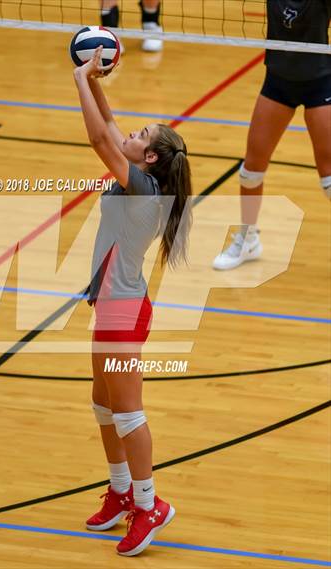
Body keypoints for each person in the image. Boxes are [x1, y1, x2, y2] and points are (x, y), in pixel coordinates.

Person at [73, 47, 192, 556]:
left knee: (128, 413)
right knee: (103, 404)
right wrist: (97, 82)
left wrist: (78, 77)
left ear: (148, 159)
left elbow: (100, 136)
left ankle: (150, 504)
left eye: (141, 136)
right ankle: (122, 491)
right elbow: (113, 126)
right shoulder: (143, 174)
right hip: (113, 306)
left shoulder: (141, 188)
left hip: (123, 312)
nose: (131, 134)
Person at [213, 0, 331, 270]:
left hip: (321, 82)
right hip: (278, 83)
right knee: (250, 172)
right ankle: (248, 240)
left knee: (329, 182)